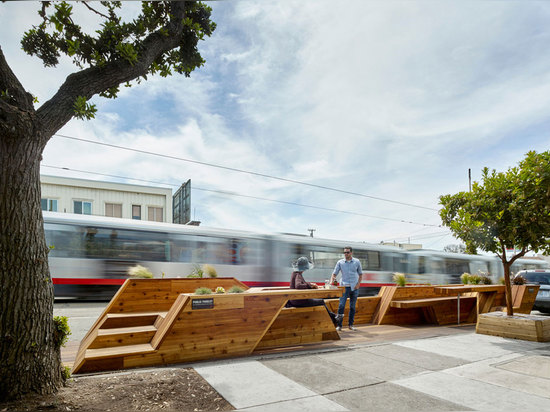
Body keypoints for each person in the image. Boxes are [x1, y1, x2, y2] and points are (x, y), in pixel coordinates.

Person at [288, 256, 343, 327]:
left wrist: (310, 285)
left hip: (295, 300)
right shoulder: (298, 274)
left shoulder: (295, 273)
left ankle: (334, 317)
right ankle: (334, 318)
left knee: (320, 301)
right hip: (298, 301)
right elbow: (298, 286)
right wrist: (310, 285)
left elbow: (300, 285)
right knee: (321, 301)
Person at [330, 247, 364, 331]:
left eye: (347, 252)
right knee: (341, 306)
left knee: (352, 307)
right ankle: (339, 325)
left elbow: (360, 274)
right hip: (344, 287)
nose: (346, 254)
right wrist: (332, 280)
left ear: (351, 253)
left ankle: (351, 325)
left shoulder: (357, 262)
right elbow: (334, 273)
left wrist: (358, 284)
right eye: (344, 252)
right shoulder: (340, 262)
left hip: (354, 287)